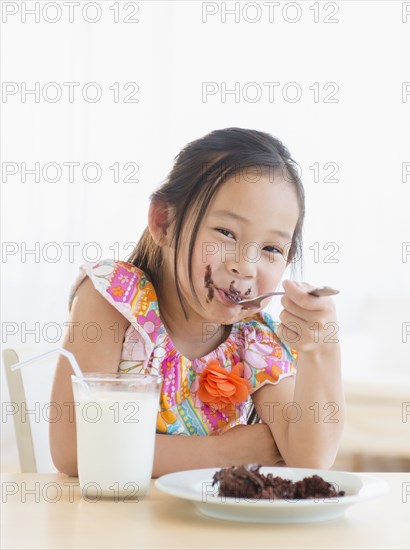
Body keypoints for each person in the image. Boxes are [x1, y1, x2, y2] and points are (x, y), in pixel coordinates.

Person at [50, 127, 345, 477]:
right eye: (226, 233)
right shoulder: (116, 299)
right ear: (165, 222)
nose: (245, 266)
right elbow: (77, 450)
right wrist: (225, 452)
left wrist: (321, 349)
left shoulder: (256, 340)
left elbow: (310, 458)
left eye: (271, 249)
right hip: (116, 525)